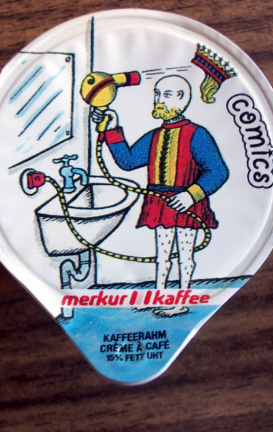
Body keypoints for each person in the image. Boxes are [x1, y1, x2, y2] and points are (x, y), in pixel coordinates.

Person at [93, 75, 229, 316]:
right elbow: (128, 161)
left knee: (185, 256)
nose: (159, 100)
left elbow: (218, 171)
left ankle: (181, 301)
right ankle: (159, 296)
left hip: (186, 203)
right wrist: (112, 128)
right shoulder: (154, 135)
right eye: (157, 94)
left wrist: (191, 195)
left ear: (182, 98)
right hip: (159, 202)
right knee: (162, 256)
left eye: (166, 95)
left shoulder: (197, 134)